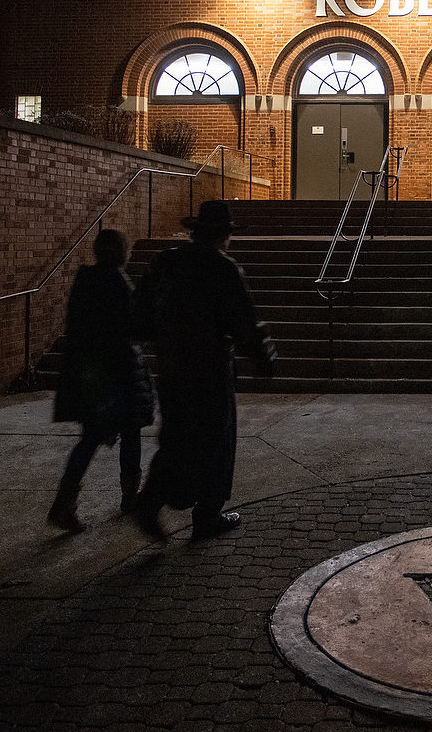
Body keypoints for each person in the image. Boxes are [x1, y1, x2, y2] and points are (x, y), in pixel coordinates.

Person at [129, 199, 276, 542]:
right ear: (224, 235)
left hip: (173, 367)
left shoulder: (165, 262)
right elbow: (243, 320)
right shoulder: (222, 267)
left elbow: (140, 313)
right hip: (210, 369)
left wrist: (163, 340)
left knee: (177, 438)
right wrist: (263, 354)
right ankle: (207, 514)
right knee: (216, 440)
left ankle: (150, 502)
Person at [48, 229, 155, 533]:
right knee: (130, 432)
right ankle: (129, 497)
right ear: (121, 252)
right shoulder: (118, 282)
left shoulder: (85, 281)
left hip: (91, 375)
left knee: (91, 438)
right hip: (119, 374)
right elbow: (134, 327)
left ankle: (64, 503)